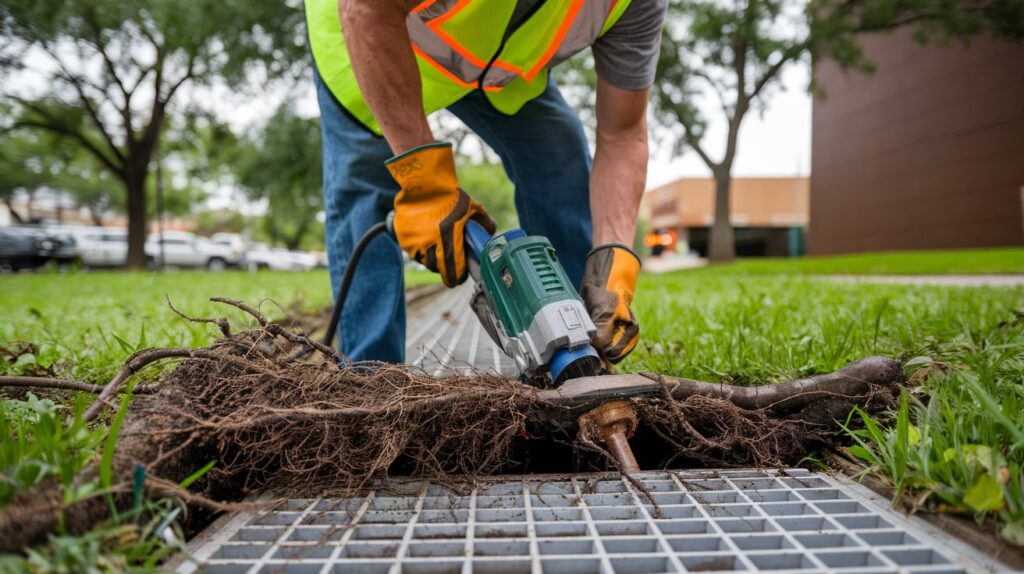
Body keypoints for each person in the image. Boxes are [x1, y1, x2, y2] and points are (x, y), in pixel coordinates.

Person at [307, 0, 666, 366]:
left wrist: (615, 260)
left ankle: (580, 348)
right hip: (368, 38)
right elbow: (367, 8)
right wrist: (426, 185)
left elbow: (622, 133)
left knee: (558, 153)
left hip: (495, 70)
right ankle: (371, 380)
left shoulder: (634, 5)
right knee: (365, 184)